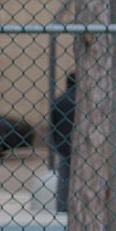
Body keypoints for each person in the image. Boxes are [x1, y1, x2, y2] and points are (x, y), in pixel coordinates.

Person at [48, 74, 75, 214]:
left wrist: (56, 143)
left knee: (64, 177)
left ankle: (62, 207)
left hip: (63, 144)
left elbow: (52, 125)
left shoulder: (59, 100)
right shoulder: (84, 101)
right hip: (82, 145)